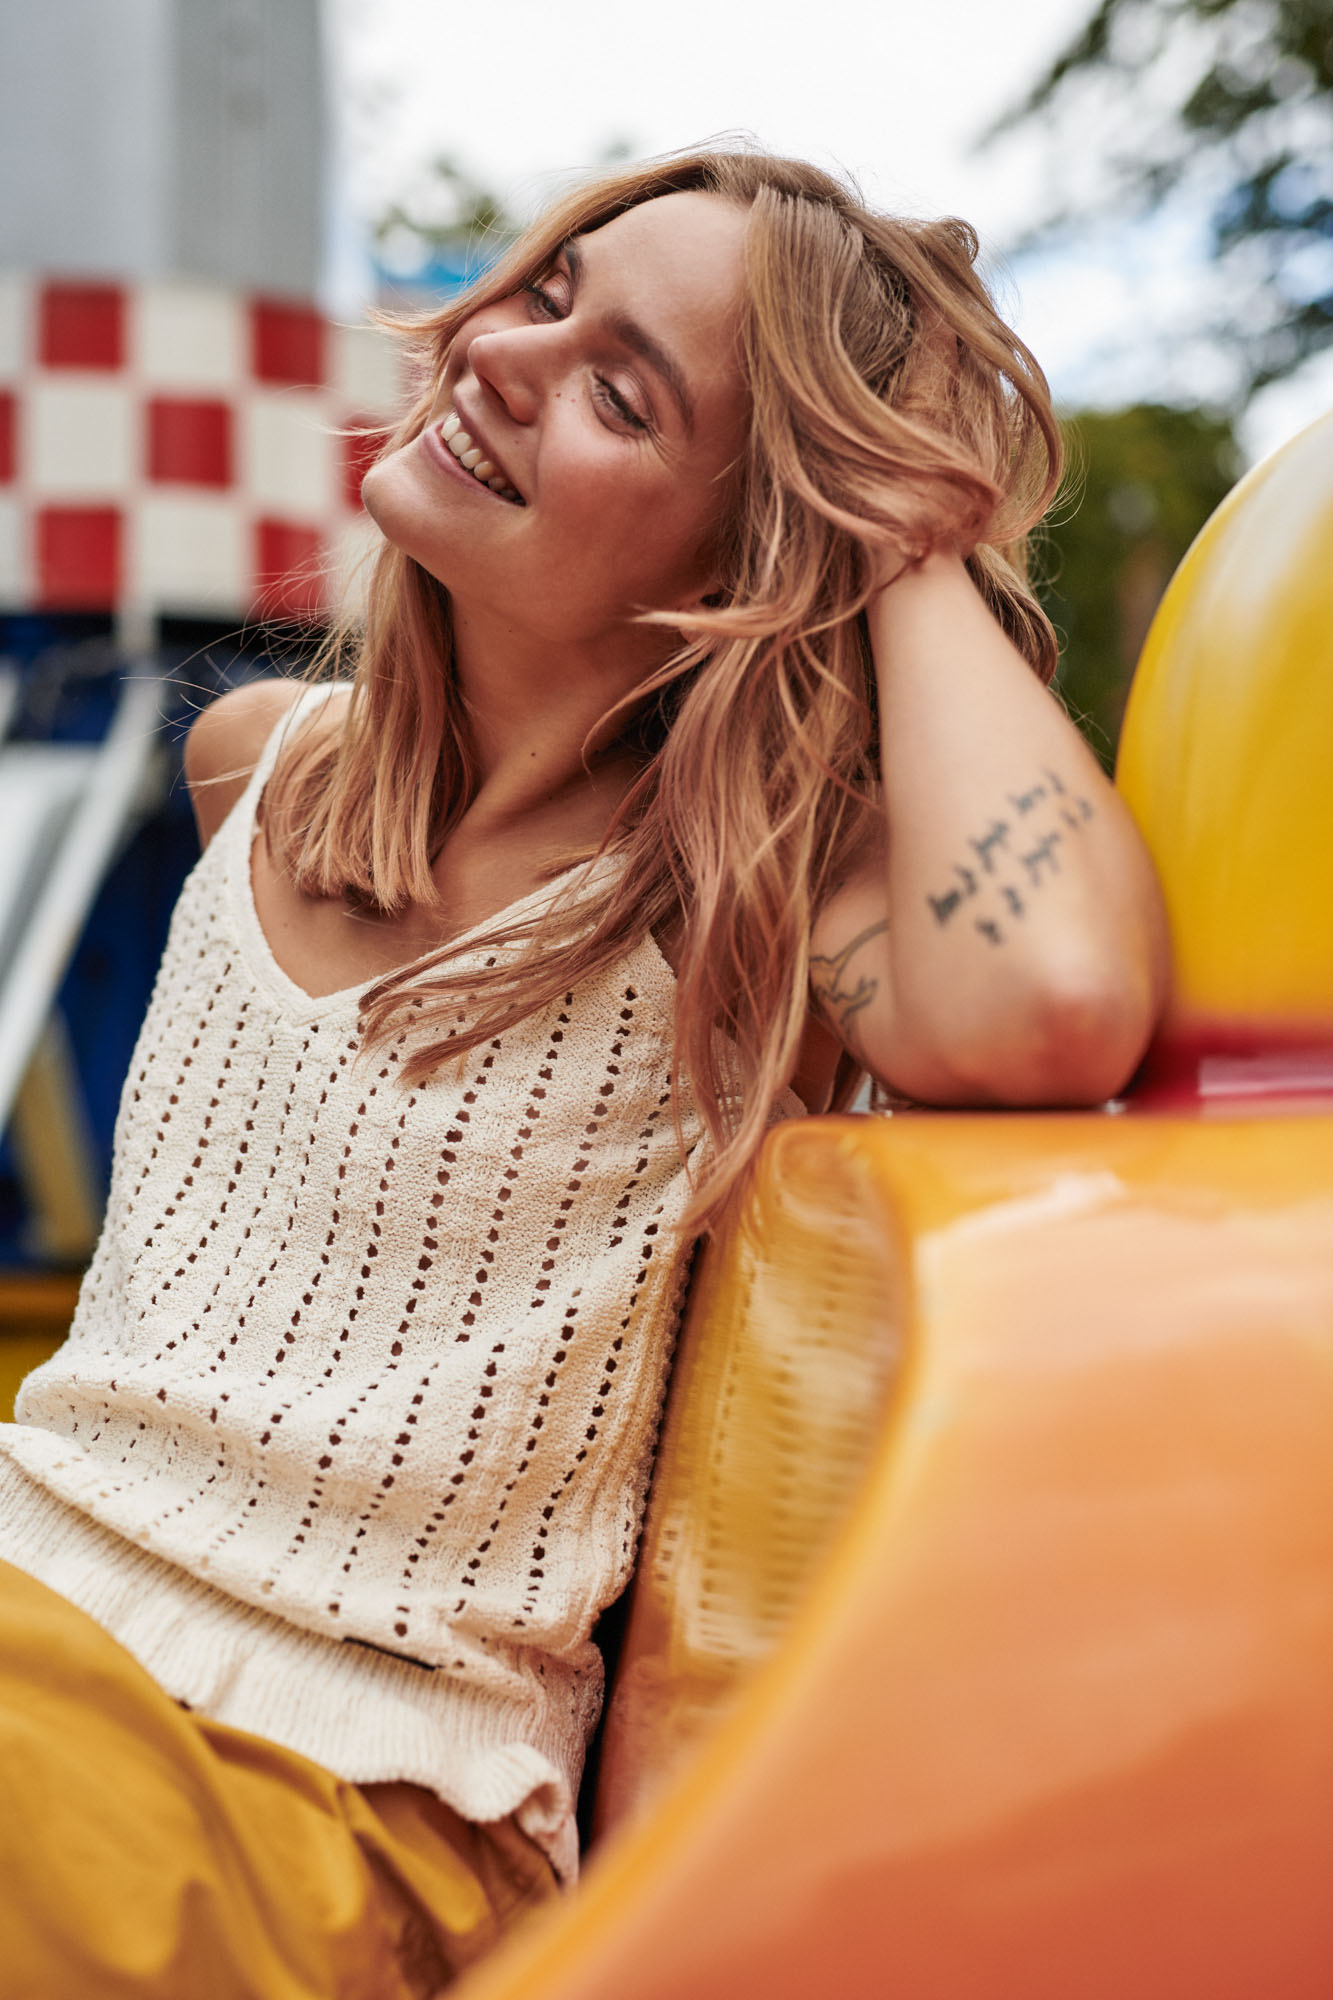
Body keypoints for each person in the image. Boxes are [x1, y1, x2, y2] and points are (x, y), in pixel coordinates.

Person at [0, 148, 1167, 1996]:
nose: (511, 358)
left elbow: (1052, 998)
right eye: (544, 294)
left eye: (623, 390)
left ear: (763, 549)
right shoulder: (258, 767)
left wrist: (909, 538)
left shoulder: (744, 928)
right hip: (39, 1629)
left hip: (343, 1777)